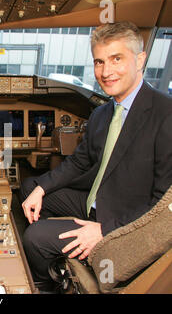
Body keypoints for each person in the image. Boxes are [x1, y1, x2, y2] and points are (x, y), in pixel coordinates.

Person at [20, 21, 172, 291]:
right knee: (29, 187)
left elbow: (162, 204)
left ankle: (51, 281)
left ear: (140, 60)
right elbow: (80, 161)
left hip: (123, 216)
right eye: (99, 62)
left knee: (34, 237)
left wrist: (103, 229)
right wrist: (41, 188)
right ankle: (63, 244)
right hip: (96, 199)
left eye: (116, 59)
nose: (106, 71)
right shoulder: (103, 112)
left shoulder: (165, 115)